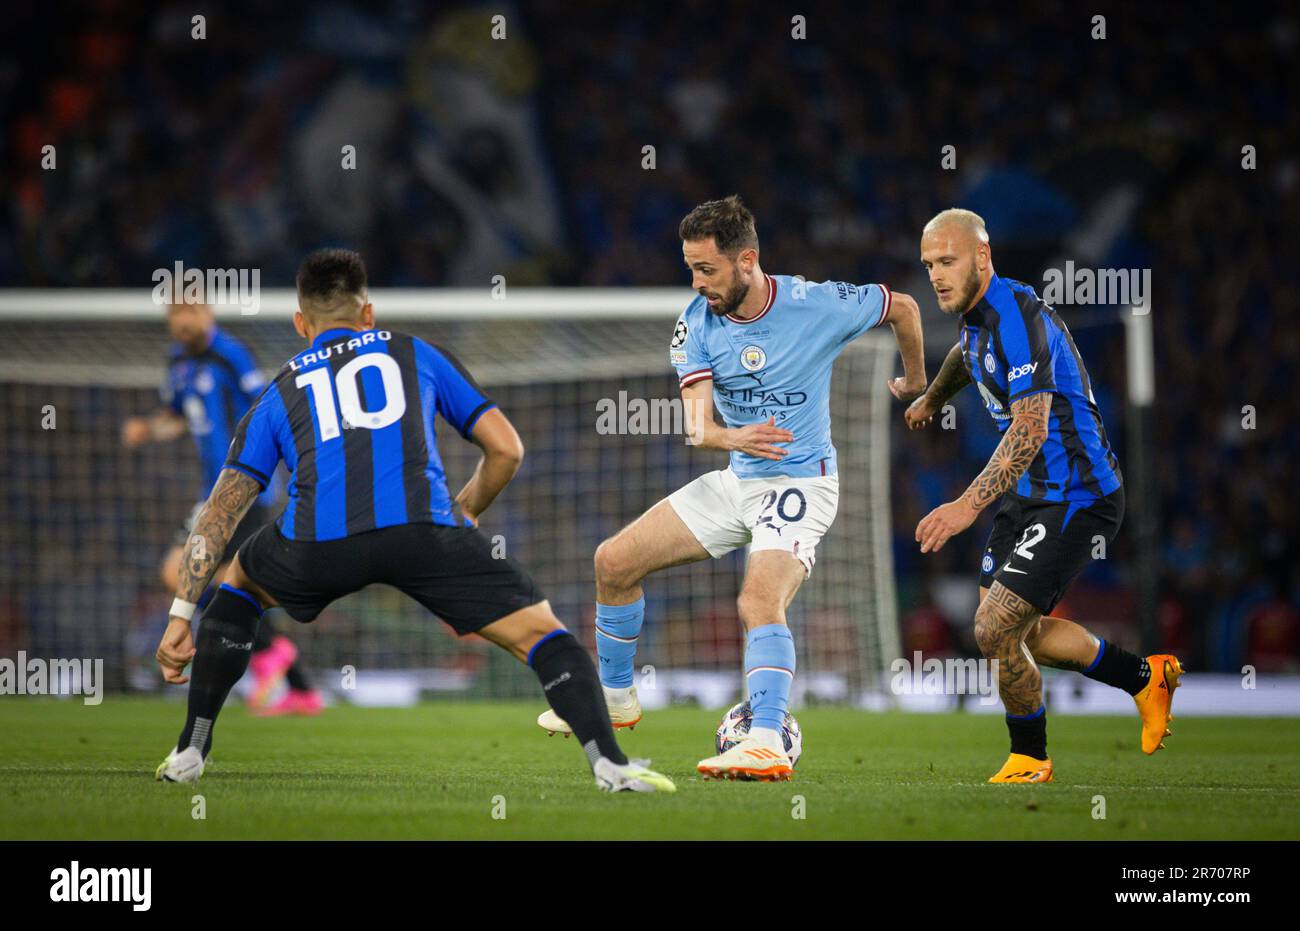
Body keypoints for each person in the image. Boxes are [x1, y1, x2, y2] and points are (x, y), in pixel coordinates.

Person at [152, 248, 673, 793]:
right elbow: (507, 450)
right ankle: (609, 764)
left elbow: (220, 512)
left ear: (301, 324)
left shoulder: (279, 389)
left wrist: (182, 614)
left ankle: (191, 749)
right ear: (369, 314)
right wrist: (466, 511)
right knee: (544, 636)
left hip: (316, 545)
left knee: (239, 584)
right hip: (424, 535)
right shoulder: (416, 354)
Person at [537, 195, 928, 781]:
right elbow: (697, 427)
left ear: (747, 261)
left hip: (802, 483)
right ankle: (616, 699)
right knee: (613, 562)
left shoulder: (813, 303)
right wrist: (732, 436)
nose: (696, 283)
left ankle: (766, 737)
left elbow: (904, 307)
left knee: (756, 600)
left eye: (706, 269)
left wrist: (917, 382)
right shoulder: (695, 323)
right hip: (738, 477)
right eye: (690, 268)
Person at [907, 208, 1182, 783]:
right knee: (1021, 633)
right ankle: (1144, 678)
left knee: (994, 629)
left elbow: (1029, 429)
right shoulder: (976, 315)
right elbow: (966, 354)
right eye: (929, 263)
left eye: (947, 261)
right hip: (1030, 495)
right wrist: (933, 398)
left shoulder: (1016, 319)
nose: (935, 274)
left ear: (982, 256)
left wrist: (965, 506)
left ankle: (1030, 758)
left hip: (1079, 495)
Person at [122, 298, 320, 714]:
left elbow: (268, 409)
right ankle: (295, 680)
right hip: (211, 494)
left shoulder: (231, 355)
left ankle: (272, 655)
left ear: (207, 314)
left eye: (190, 312)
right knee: (217, 580)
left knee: (194, 573)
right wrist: (149, 429)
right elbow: (177, 415)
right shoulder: (177, 362)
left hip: (248, 489)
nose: (183, 321)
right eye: (176, 314)